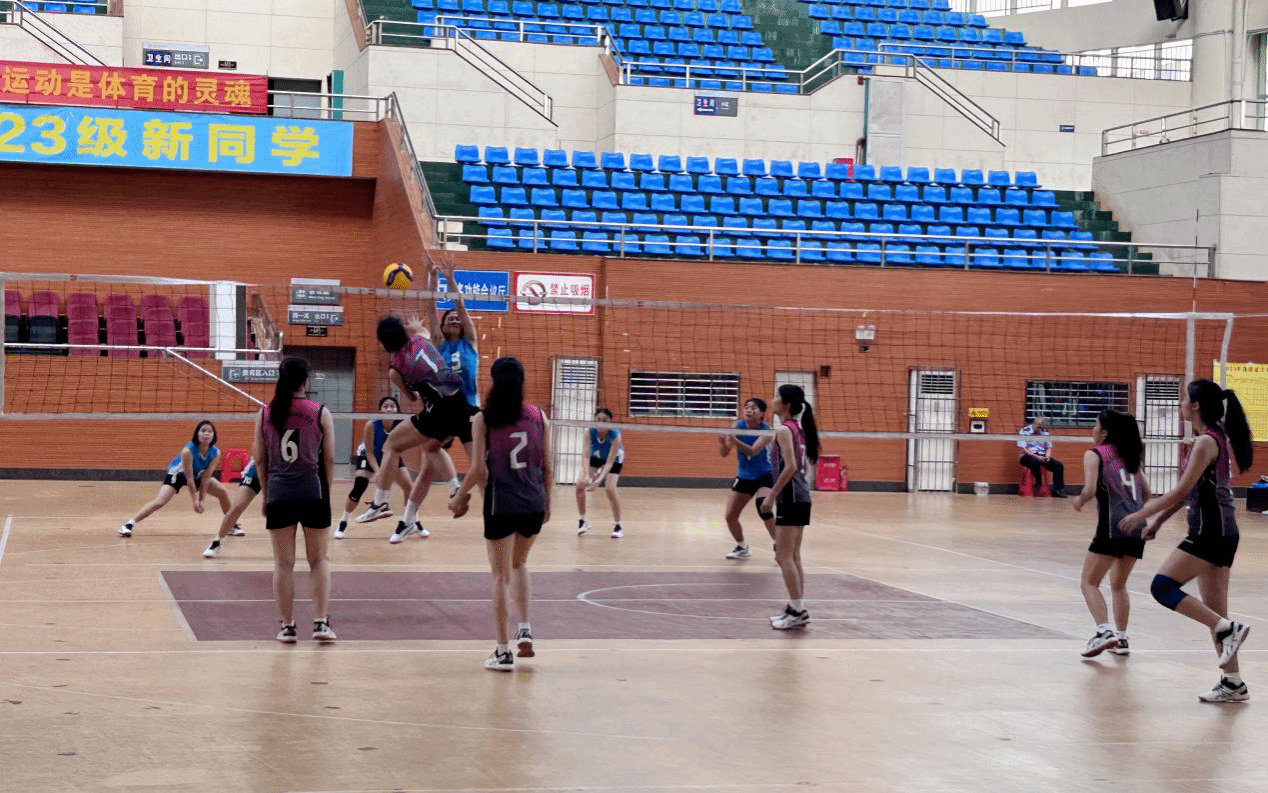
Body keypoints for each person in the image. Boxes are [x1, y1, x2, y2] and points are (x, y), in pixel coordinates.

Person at [1120, 379, 1254, 703]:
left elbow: (1179, 490)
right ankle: (1233, 683)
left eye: (1183, 399)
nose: (1180, 403)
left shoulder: (1207, 441)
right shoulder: (1211, 439)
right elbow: (1188, 492)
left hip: (1211, 532)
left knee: (1162, 587)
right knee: (1215, 613)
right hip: (1221, 532)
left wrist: (1141, 514)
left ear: (1195, 406)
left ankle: (1230, 631)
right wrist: (1158, 522)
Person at [449, 357, 552, 672]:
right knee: (519, 564)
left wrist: (458, 497)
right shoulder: (539, 416)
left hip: (501, 505)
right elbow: (548, 466)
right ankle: (525, 628)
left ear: (494, 382)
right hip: (534, 504)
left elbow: (477, 469)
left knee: (500, 575)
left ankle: (503, 651)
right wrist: (548, 505)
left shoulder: (484, 419)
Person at [359, 315, 469, 544]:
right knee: (432, 447)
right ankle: (454, 488)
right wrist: (414, 327)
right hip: (461, 402)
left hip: (439, 410)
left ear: (384, 343)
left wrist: (413, 384)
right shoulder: (421, 339)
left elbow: (410, 398)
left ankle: (380, 502)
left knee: (392, 445)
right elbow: (421, 330)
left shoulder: (395, 369)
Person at [254, 357, 337, 643]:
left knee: (283, 564)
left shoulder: (265, 413)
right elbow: (329, 459)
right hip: (313, 493)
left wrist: (267, 495)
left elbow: (260, 459)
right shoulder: (320, 412)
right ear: (305, 381)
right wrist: (326, 494)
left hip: (279, 494)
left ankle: (287, 627)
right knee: (319, 560)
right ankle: (320, 623)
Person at [1071, 409, 1150, 658]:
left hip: (1112, 527)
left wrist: (1079, 501)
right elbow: (1147, 492)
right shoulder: (1129, 455)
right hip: (1137, 528)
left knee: (1088, 582)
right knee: (1119, 585)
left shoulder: (1095, 454)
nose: (1092, 429)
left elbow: (1090, 489)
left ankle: (1103, 631)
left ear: (1104, 432)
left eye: (1095, 424)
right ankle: (1122, 639)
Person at [760, 384, 819, 630]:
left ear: (785, 403)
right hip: (800, 497)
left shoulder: (785, 430)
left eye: (776, 396)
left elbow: (791, 466)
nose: (772, 400)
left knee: (783, 556)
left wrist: (771, 496)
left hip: (791, 497)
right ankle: (796, 606)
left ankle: (798, 610)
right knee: (793, 556)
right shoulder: (797, 428)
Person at [117, 420, 234, 537]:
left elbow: (206, 478)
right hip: (178, 474)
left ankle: (231, 526)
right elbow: (189, 479)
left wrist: (202, 501)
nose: (206, 433)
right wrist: (195, 501)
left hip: (197, 475)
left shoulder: (215, 453)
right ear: (197, 434)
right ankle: (128, 525)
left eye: (210, 431)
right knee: (160, 501)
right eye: (203, 431)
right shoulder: (188, 451)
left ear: (214, 435)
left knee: (222, 492)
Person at [337, 396, 416, 539]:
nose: (389, 409)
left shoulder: (401, 425)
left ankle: (412, 522)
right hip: (368, 455)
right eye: (385, 406)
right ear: (380, 410)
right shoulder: (371, 425)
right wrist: (378, 472)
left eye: (392, 406)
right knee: (359, 486)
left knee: (409, 488)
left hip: (390, 456)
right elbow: (369, 452)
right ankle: (343, 523)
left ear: (397, 410)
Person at [719, 397, 776, 560]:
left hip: (765, 475)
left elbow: (752, 451)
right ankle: (742, 547)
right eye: (746, 407)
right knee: (730, 516)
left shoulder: (766, 430)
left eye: (754, 408)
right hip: (744, 476)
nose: (749, 410)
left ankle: (779, 543)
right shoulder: (738, 426)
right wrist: (723, 443)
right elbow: (724, 453)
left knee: (763, 507)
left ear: (762, 413)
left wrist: (735, 440)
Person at [576, 408, 624, 538]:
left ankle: (618, 525)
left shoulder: (615, 436)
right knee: (580, 485)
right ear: (594, 421)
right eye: (598, 419)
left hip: (614, 458)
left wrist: (598, 480)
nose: (601, 422)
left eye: (605, 420)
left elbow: (609, 462)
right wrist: (587, 475)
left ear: (610, 422)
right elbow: (586, 456)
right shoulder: (589, 432)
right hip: (597, 455)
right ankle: (583, 521)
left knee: (609, 489)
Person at [202, 458, 261, 558]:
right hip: (258, 468)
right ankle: (216, 542)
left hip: (283, 471)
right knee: (238, 506)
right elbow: (259, 456)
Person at [1018, 417, 1065, 497]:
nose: (1040, 428)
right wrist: (1036, 456)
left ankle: (1057, 490)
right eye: (1038, 426)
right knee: (1035, 461)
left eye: (1042, 426)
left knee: (1058, 465)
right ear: (1034, 424)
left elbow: (1048, 448)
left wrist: (1047, 457)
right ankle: (1038, 481)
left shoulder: (1045, 433)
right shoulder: (1024, 431)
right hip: (1027, 455)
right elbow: (1023, 449)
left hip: (1042, 455)